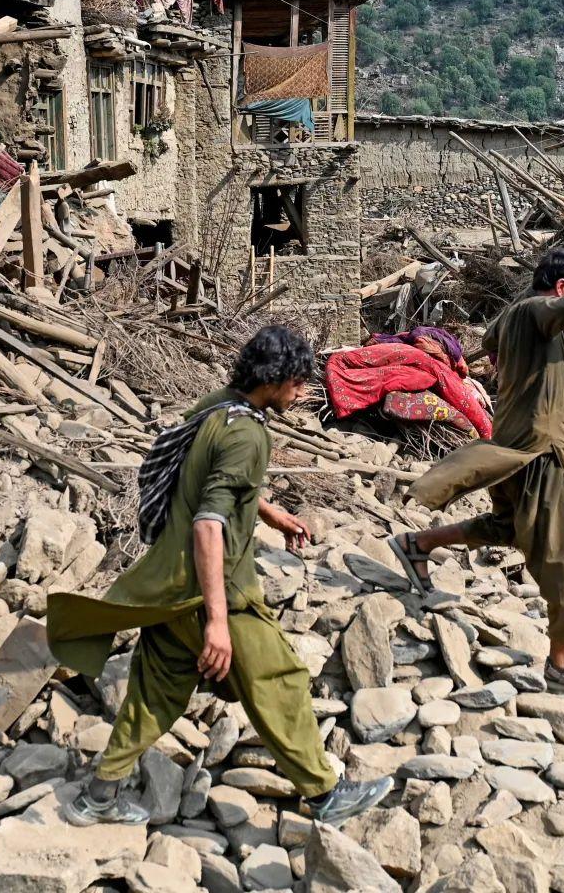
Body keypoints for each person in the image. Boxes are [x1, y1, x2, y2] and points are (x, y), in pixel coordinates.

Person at [47, 325, 394, 826]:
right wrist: (216, 621)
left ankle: (96, 797)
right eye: (297, 381)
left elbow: (209, 481)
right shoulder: (249, 434)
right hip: (217, 590)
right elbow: (210, 524)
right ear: (273, 379)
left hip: (167, 586)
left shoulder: (218, 406)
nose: (303, 390)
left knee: (154, 694)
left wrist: (268, 512)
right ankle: (324, 793)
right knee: (280, 679)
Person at [393, 249, 564, 697]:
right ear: (561, 289)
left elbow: (491, 346)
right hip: (536, 453)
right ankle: (562, 662)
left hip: (514, 447)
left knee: (509, 527)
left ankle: (417, 544)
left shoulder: (514, 319)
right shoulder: (536, 312)